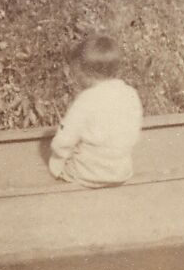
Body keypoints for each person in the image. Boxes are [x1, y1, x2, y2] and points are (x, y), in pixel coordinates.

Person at [48, 34, 144, 187]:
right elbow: (133, 134)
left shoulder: (86, 99)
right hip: (121, 171)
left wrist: (58, 158)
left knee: (57, 161)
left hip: (88, 174)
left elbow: (63, 142)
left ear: (83, 72)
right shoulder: (130, 94)